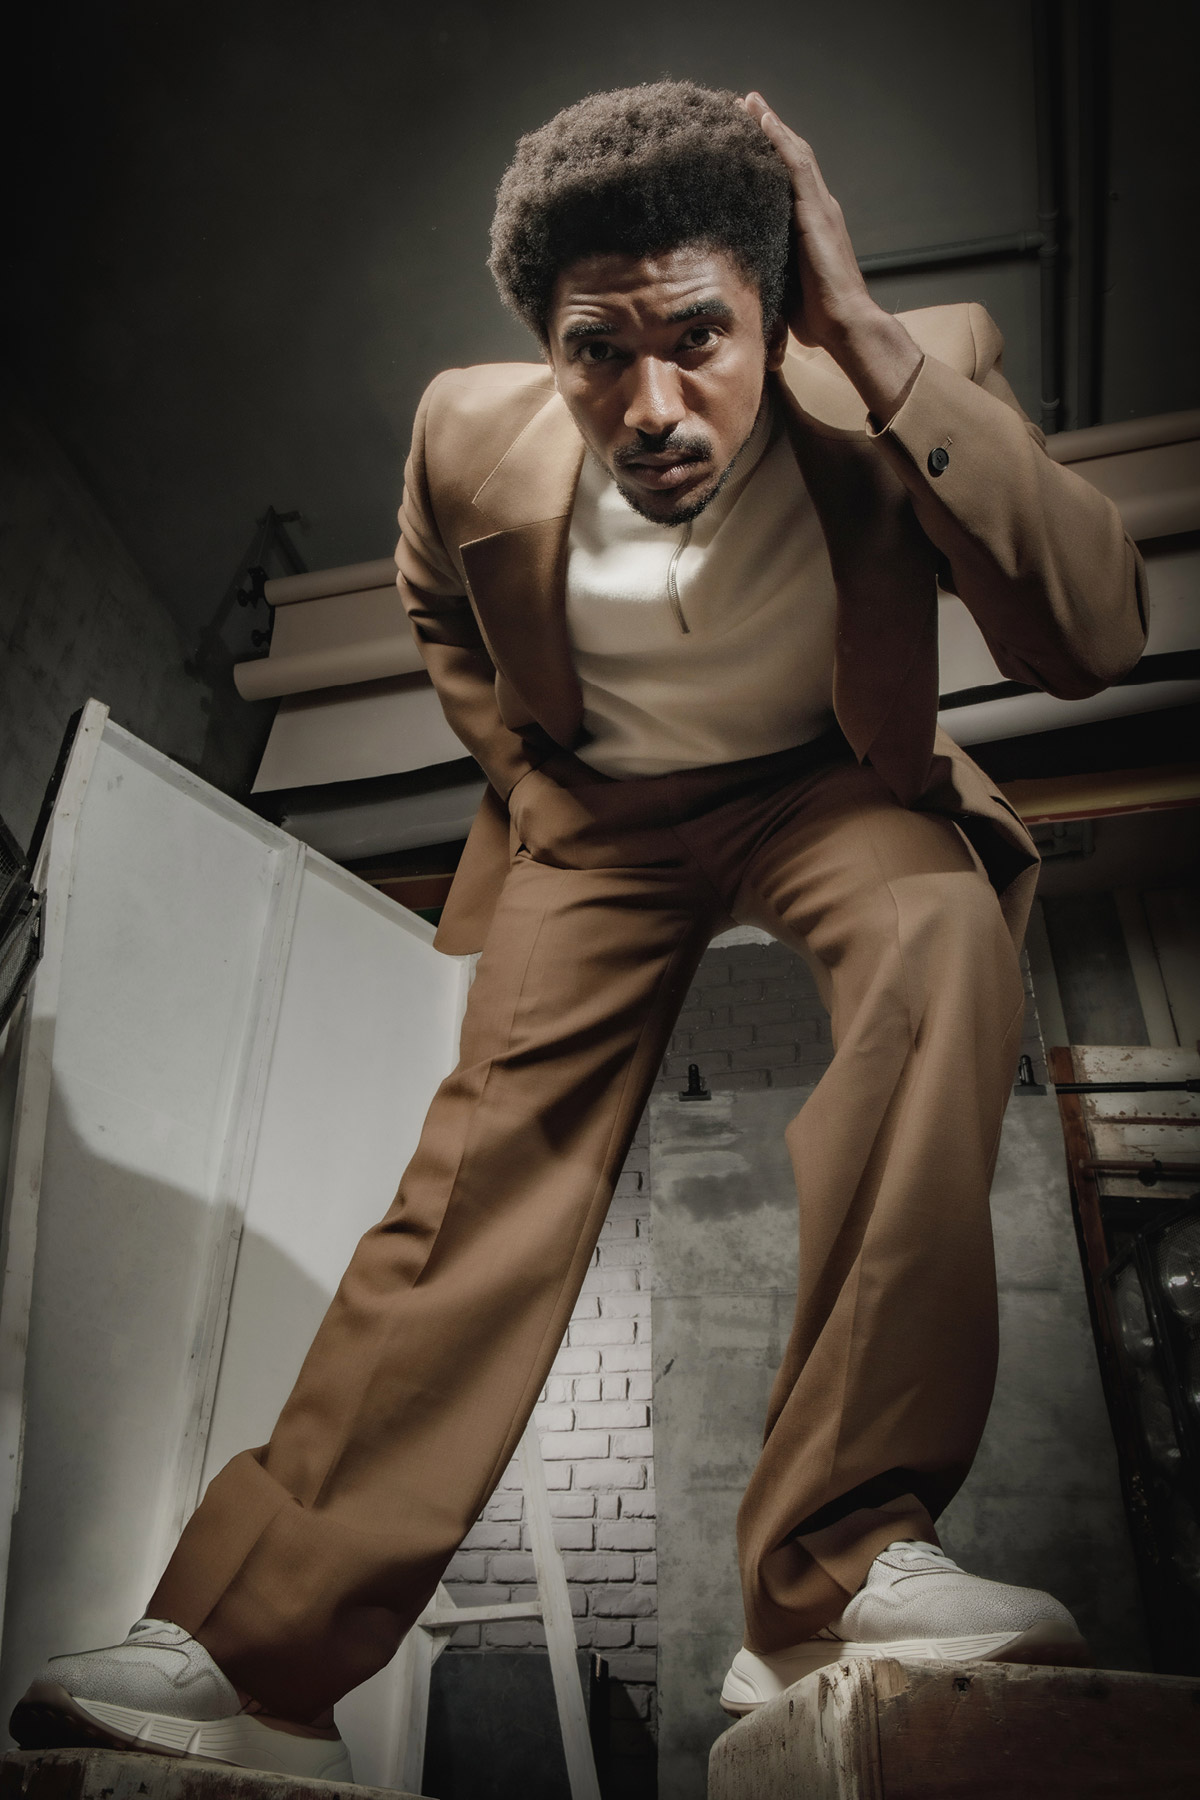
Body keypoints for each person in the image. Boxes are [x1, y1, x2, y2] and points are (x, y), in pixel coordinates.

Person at [12, 81, 1146, 1779]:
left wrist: (872, 345)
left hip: (824, 782)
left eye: (700, 336)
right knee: (480, 1175)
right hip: (601, 822)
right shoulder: (466, 432)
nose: (652, 404)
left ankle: (834, 1577)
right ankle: (251, 1652)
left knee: (942, 941)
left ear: (778, 309)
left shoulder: (912, 372)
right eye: (598, 351)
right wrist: (535, 788)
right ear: (547, 345)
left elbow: (1095, 634)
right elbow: (436, 608)